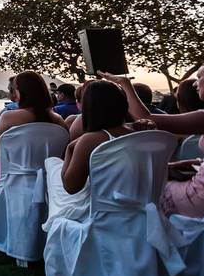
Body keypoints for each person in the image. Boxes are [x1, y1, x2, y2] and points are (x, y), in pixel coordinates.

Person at [101, 64, 204, 218]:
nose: (194, 83)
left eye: (199, 77)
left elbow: (146, 118)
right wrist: (196, 162)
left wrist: (125, 84)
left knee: (133, 188)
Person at [42, 80, 139, 231]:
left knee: (52, 164)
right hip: (136, 203)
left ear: (88, 107)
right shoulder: (142, 133)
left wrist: (70, 148)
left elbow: (71, 187)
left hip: (103, 209)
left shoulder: (91, 140)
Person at [0, 71, 69, 161]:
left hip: (16, 173)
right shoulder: (58, 120)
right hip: (49, 172)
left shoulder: (8, 117)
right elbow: (64, 152)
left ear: (19, 90)